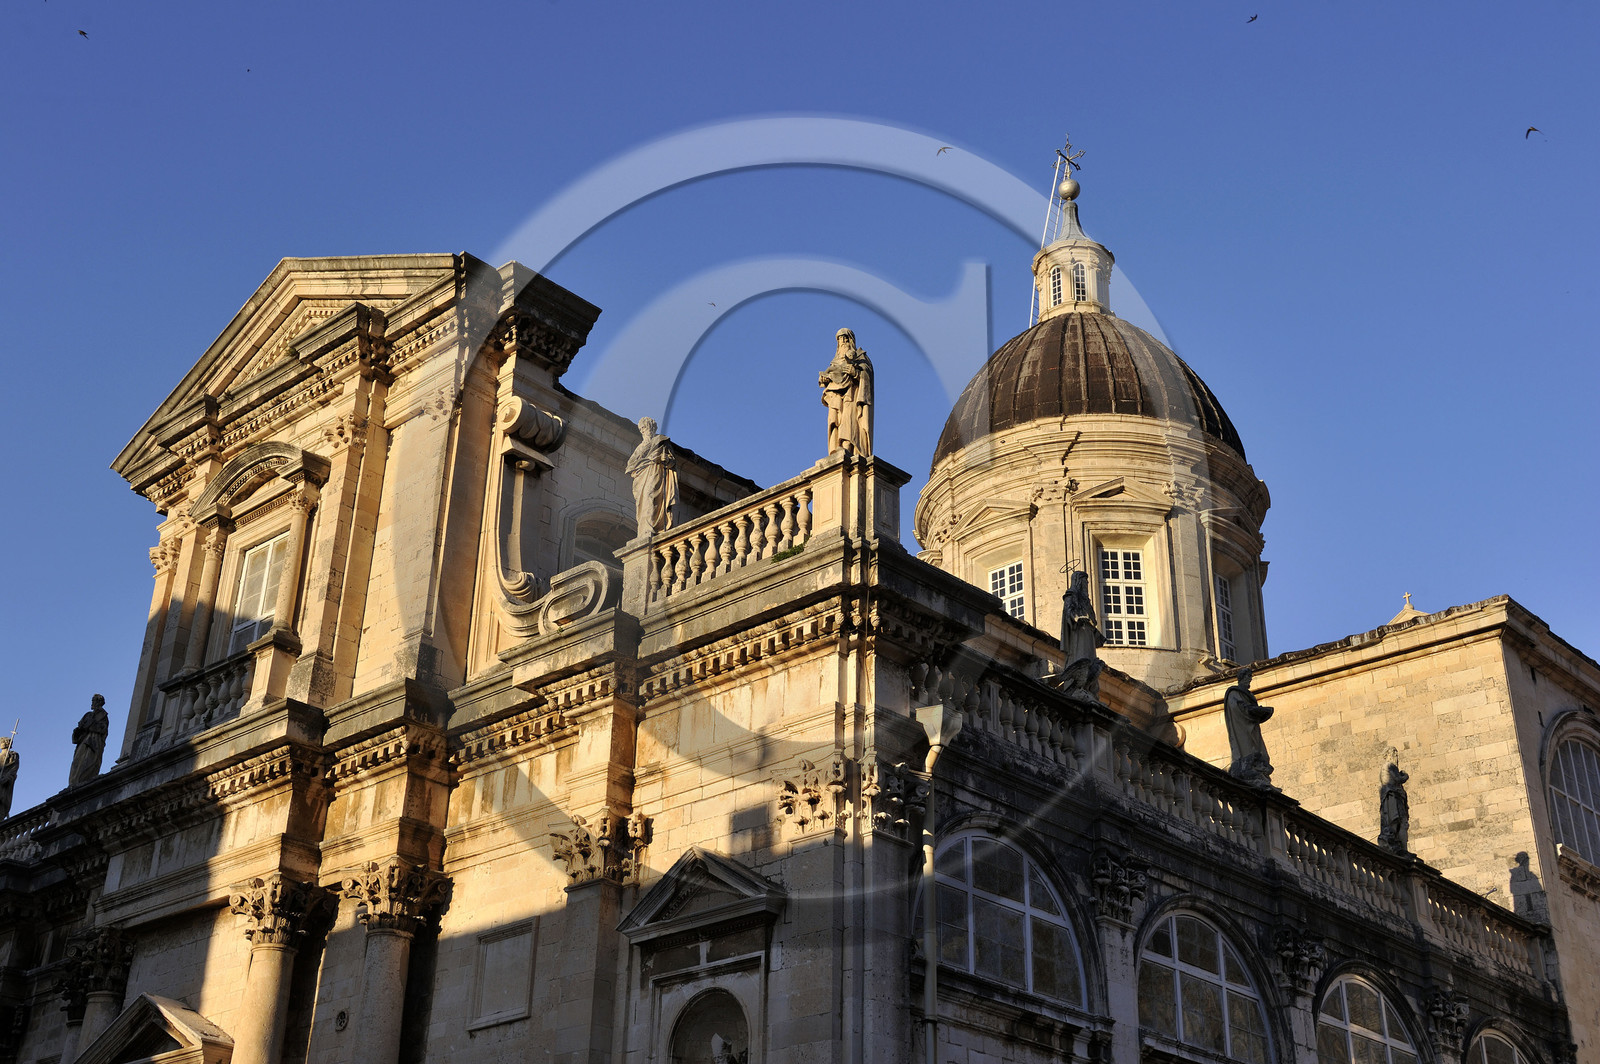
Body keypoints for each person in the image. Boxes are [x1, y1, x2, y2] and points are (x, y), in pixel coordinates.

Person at [819, 328, 873, 456]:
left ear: (851, 340)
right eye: (839, 339)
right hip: (836, 397)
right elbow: (828, 373)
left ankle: (847, 446)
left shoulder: (861, 357)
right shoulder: (834, 361)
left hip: (852, 396)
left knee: (849, 421)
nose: (843, 341)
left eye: (845, 338)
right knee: (836, 419)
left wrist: (855, 372)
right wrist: (823, 379)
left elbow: (867, 376)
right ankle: (836, 447)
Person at [1223, 668, 1275, 789]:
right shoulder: (1234, 692)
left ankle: (1258, 770)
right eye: (1248, 677)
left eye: (1250, 677)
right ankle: (1248, 768)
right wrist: (1252, 710)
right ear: (1242, 678)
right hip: (1242, 726)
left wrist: (1258, 711)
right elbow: (1238, 707)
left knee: (1259, 750)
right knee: (1247, 747)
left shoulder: (1248, 694)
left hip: (1252, 726)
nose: (1250, 679)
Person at [625, 417, 678, 535]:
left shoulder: (662, 441)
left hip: (656, 473)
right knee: (643, 502)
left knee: (652, 497)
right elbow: (630, 465)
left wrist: (666, 459)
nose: (645, 430)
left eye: (646, 427)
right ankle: (645, 529)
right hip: (642, 477)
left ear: (653, 428)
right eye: (642, 428)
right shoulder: (641, 446)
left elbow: (672, 461)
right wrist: (646, 461)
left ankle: (654, 528)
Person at [68, 694, 109, 787]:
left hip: (94, 742)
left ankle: (83, 781)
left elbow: (103, 729)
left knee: (89, 761)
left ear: (99, 702)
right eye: (92, 701)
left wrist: (91, 726)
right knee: (77, 762)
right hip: (84, 740)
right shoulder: (88, 715)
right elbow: (80, 727)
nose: (92, 703)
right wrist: (78, 731)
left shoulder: (103, 715)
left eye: (94, 701)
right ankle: (74, 783)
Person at [0, 736, 18, 819]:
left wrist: (7, 778)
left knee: (2, 801)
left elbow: (13, 769)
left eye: (3, 741)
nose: (1, 743)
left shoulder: (13, 755)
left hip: (4, 781)